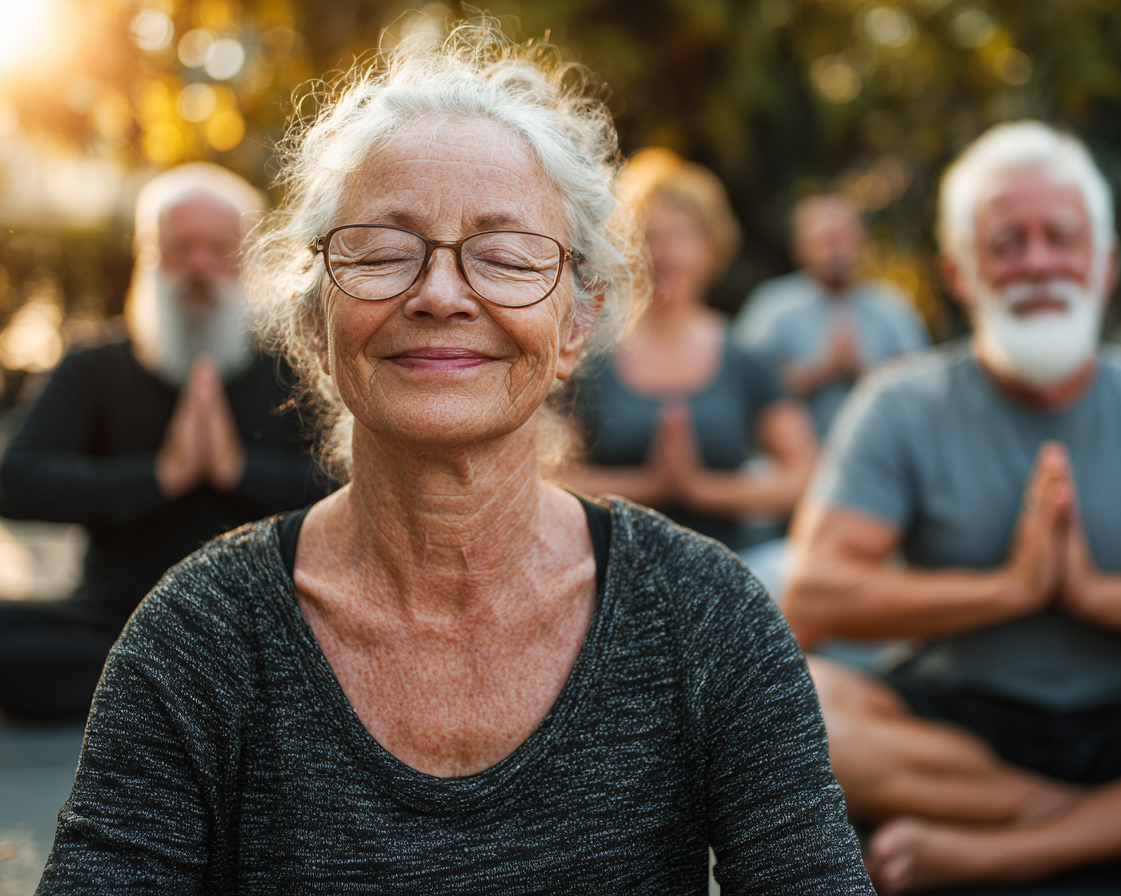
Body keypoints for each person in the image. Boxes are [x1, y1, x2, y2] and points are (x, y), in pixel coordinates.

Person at [35, 27, 873, 894]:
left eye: (507, 257)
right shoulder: (200, 637)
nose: (439, 295)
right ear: (316, 321)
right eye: (385, 252)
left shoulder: (706, 617)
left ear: (576, 325)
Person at [783, 121, 1121, 893]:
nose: (1038, 262)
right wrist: (1010, 589)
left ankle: (1015, 847)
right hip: (949, 732)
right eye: (1007, 243)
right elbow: (810, 598)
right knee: (789, 701)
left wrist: (1100, 596)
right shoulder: (898, 403)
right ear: (961, 275)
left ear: (1105, 264)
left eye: (1061, 238)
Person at [0, 163, 328, 722]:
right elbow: (18, 482)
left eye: (218, 248)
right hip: (115, 624)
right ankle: (189, 698)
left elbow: (351, 484)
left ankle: (160, 698)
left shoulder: (292, 369)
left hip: (270, 628)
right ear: (145, 252)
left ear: (245, 259)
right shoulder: (93, 365)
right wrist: (161, 477)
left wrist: (235, 470)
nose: (199, 266)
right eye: (180, 247)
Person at [565, 148, 818, 555]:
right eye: (650, 236)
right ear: (623, 249)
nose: (666, 253)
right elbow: (546, 476)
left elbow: (803, 474)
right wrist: (648, 486)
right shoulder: (586, 355)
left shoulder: (746, 355)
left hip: (726, 571)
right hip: (607, 568)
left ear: (711, 246)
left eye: (682, 234)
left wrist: (701, 490)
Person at [735, 192, 929, 436]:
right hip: (794, 462)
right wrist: (820, 371)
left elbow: (921, 382)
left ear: (863, 243)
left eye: (842, 239)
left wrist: (862, 371)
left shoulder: (891, 304)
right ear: (799, 247)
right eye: (824, 240)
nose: (835, 250)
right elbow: (742, 386)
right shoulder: (771, 305)